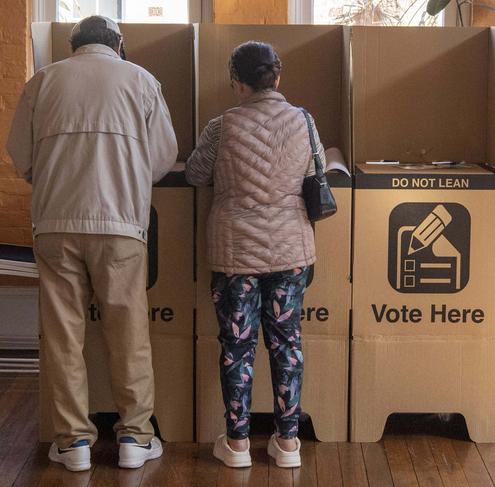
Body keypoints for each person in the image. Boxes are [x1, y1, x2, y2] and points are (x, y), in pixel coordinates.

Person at [6, 15, 177, 471]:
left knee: (63, 335)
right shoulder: (141, 81)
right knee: (128, 332)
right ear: (120, 44)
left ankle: (73, 442)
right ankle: (135, 438)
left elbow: (21, 155)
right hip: (121, 223)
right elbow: (163, 158)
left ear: (71, 44)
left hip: (56, 224)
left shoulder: (42, 81)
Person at [186, 41, 326, 469]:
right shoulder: (304, 121)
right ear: (277, 77)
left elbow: (194, 174)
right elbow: (316, 172)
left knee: (237, 347)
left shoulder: (220, 126)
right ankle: (287, 444)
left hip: (236, 256)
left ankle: (238, 444)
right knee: (287, 345)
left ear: (236, 82)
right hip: (289, 251)